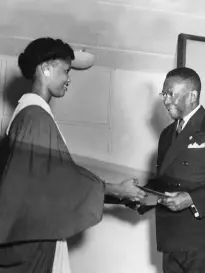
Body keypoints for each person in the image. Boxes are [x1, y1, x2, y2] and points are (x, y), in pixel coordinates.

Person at [0, 37, 146, 273]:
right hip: (35, 239)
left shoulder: (28, 114)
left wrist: (117, 195)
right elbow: (61, 179)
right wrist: (117, 189)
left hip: (36, 230)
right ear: (46, 68)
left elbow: (51, 183)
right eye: (65, 71)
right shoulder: (35, 116)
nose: (68, 79)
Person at [139, 67, 205, 273]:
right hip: (171, 237)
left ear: (193, 95)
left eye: (171, 94)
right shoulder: (167, 134)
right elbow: (165, 181)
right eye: (163, 94)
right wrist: (139, 194)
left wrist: (190, 199)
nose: (165, 100)